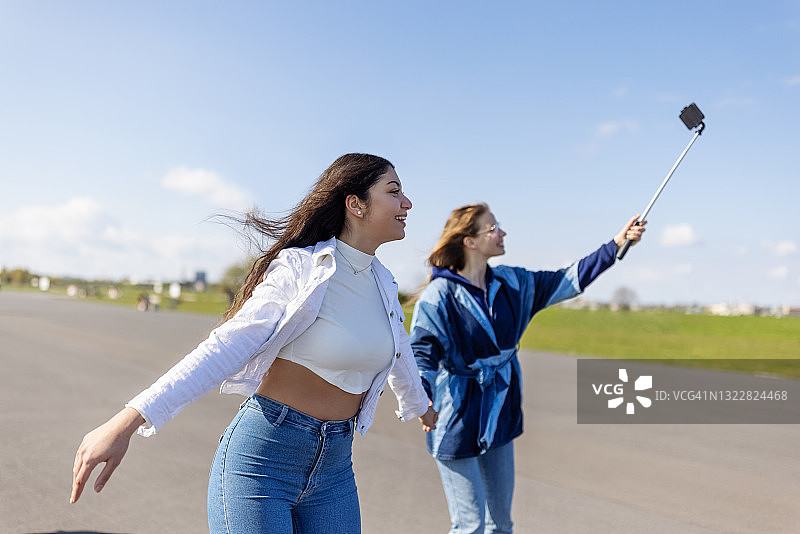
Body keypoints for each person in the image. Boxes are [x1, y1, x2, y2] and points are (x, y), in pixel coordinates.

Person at [70, 153, 438, 533]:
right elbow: (226, 346)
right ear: (355, 204)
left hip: (335, 472)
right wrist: (127, 421)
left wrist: (427, 412)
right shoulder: (302, 268)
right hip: (262, 464)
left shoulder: (385, 284)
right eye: (394, 192)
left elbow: (401, 359)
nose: (406, 203)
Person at [409, 203, 645, 534]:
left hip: (502, 411)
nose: (502, 233)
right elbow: (422, 350)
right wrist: (422, 399)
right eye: (493, 228)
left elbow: (569, 279)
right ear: (469, 241)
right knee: (471, 525)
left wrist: (617, 243)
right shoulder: (439, 296)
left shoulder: (514, 283)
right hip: (455, 416)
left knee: (501, 524)